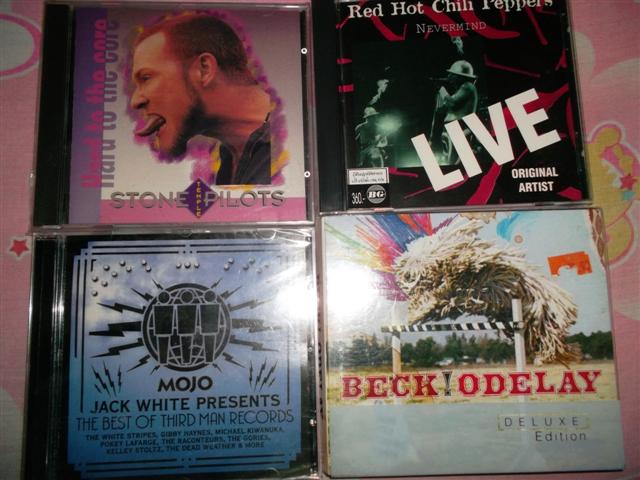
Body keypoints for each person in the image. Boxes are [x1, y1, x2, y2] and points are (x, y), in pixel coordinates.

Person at [129, 12, 274, 185]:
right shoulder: (229, 163)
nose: (135, 101)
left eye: (146, 78)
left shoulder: (280, 148)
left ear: (204, 69)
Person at [429, 60, 478, 166]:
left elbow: (452, 103)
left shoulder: (467, 86)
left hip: (459, 127)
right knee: (450, 160)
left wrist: (442, 90)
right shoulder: (461, 90)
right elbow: (445, 109)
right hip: (452, 129)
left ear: (459, 77)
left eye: (452, 74)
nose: (448, 77)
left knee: (455, 161)